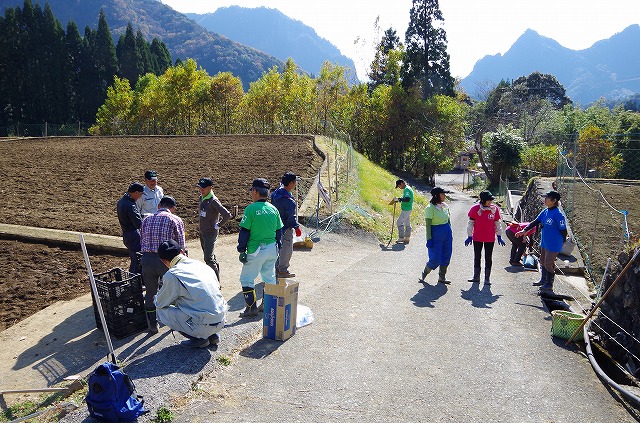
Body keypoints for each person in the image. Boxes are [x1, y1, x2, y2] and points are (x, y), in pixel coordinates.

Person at [155, 240, 227, 348]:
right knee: (198, 301)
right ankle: (212, 335)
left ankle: (199, 338)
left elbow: (161, 303)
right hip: (221, 319)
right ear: (182, 252)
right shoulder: (201, 264)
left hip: (204, 324)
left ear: (164, 261)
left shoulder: (172, 274)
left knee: (160, 310)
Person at [237, 178, 283, 318]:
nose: (251, 193)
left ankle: (251, 309)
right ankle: (268, 306)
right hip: (272, 248)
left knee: (246, 278)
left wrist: (242, 250)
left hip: (256, 249)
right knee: (269, 278)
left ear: (256, 191)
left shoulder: (251, 209)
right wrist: (278, 246)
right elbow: (279, 231)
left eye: (252, 190)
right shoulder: (273, 209)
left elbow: (244, 231)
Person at [140, 196, 186, 333]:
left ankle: (153, 324)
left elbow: (142, 239)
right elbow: (181, 245)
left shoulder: (146, 219)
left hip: (147, 259)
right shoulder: (175, 220)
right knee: (173, 290)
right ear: (173, 208)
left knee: (150, 292)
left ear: (159, 206)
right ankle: (172, 320)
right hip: (166, 260)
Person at [516, 190, 567, 292]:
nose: (545, 199)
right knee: (542, 261)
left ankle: (549, 284)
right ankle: (543, 280)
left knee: (548, 263)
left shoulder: (558, 214)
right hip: (544, 242)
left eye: (547, 198)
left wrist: (563, 242)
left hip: (553, 243)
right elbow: (535, 222)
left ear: (554, 200)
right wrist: (524, 230)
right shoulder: (545, 211)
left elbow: (563, 230)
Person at [464, 191, 506, 285]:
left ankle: (487, 278)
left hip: (489, 238)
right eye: (488, 200)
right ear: (483, 200)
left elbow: (497, 223)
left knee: (488, 257)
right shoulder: (475, 209)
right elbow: (470, 223)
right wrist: (469, 236)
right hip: (477, 237)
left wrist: (499, 235)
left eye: (491, 200)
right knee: (477, 257)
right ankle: (476, 277)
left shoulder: (494, 209)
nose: (490, 202)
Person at [196, 177, 232, 281]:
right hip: (202, 232)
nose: (201, 190)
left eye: (203, 188)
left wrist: (218, 225)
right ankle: (215, 277)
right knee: (209, 256)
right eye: (200, 188)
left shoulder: (213, 201)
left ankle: (216, 282)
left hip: (210, 233)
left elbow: (227, 215)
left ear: (210, 188)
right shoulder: (201, 198)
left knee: (208, 258)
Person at [419, 187, 453, 284]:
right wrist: (429, 239)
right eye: (442, 194)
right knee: (435, 258)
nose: (444, 196)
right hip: (436, 233)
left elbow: (448, 221)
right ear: (436, 195)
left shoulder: (445, 206)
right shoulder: (430, 208)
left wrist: (449, 232)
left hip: (446, 233)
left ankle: (442, 277)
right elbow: (428, 226)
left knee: (446, 255)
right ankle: (424, 273)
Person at [271, 172, 302, 278]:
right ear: (291, 183)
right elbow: (291, 217)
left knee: (277, 248)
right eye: (294, 182)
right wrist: (296, 227)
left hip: (275, 226)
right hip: (286, 227)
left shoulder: (275, 194)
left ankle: (276, 268)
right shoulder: (289, 201)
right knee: (286, 249)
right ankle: (283, 270)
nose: (295, 184)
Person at [116, 182, 144, 274]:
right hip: (134, 235)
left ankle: (132, 278)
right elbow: (138, 223)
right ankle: (134, 279)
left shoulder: (121, 201)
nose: (140, 197)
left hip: (127, 235)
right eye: (140, 194)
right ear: (136, 192)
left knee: (134, 259)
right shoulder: (130, 205)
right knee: (138, 260)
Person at [393, 179, 414, 243]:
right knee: (407, 223)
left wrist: (400, 199)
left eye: (399, 186)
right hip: (408, 208)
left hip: (406, 209)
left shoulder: (406, 189)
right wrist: (400, 199)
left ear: (402, 183)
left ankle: (401, 238)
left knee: (399, 222)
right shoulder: (408, 188)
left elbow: (407, 199)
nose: (399, 188)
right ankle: (407, 238)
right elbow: (406, 198)